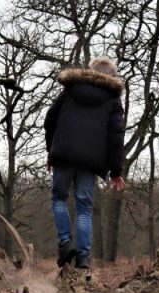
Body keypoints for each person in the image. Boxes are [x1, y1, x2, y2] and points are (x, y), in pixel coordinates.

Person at [44, 57, 127, 269]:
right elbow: (116, 137)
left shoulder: (71, 90)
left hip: (64, 155)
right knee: (84, 209)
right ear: (112, 75)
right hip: (89, 163)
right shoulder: (112, 100)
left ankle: (65, 243)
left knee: (59, 198)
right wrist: (116, 171)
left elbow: (50, 118)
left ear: (90, 71)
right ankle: (83, 257)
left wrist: (51, 152)